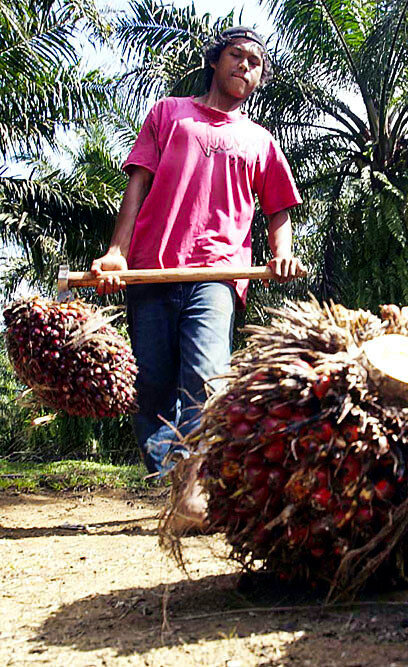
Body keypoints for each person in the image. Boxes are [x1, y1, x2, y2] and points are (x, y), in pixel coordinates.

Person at [90, 26, 304, 474]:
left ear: (259, 78)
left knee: (205, 380)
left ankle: (195, 482)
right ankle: (171, 482)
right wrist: (116, 252)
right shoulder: (170, 114)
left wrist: (281, 250)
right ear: (214, 61)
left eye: (254, 62)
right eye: (236, 55)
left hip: (217, 273)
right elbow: (138, 183)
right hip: (152, 270)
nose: (244, 65)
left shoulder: (260, 141)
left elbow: (279, 209)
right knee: (150, 385)